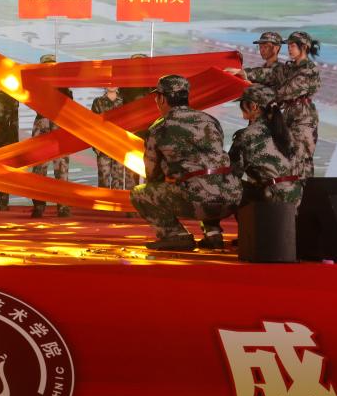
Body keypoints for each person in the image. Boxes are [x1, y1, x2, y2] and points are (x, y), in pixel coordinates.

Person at [131, 75, 242, 251]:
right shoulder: (210, 120)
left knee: (140, 193)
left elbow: (152, 173)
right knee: (207, 175)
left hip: (198, 200)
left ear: (162, 98)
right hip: (233, 198)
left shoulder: (159, 128)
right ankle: (213, 235)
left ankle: (175, 236)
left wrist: (167, 178)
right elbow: (212, 162)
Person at [230, 30, 321, 178]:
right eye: (288, 46)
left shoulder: (309, 70)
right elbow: (269, 74)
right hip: (288, 112)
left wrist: (259, 94)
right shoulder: (289, 68)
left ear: (304, 47)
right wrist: (244, 73)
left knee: (302, 155)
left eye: (293, 46)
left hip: (303, 116)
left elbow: (286, 92)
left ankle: (307, 188)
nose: (289, 49)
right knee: (287, 152)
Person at [229, 85, 302, 206]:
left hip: (271, 199)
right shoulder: (285, 132)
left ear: (254, 106)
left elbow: (232, 174)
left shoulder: (247, 135)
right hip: (295, 197)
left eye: (242, 103)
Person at [31, 54, 72, 218]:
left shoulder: (65, 85)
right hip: (42, 125)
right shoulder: (35, 84)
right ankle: (39, 206)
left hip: (60, 127)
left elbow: (69, 107)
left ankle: (63, 206)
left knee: (61, 168)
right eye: (46, 66)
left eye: (52, 66)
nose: (49, 68)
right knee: (39, 169)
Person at [118, 53, 152, 189]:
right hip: (131, 134)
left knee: (151, 171)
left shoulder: (153, 86)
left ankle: (149, 199)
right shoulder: (124, 87)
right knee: (132, 174)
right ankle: (131, 199)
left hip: (149, 134)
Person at [91, 87, 124, 190]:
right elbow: (92, 125)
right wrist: (95, 146)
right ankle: (104, 201)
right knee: (103, 182)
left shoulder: (124, 101)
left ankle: (117, 201)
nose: (112, 85)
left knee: (118, 181)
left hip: (120, 146)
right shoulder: (98, 102)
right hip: (103, 147)